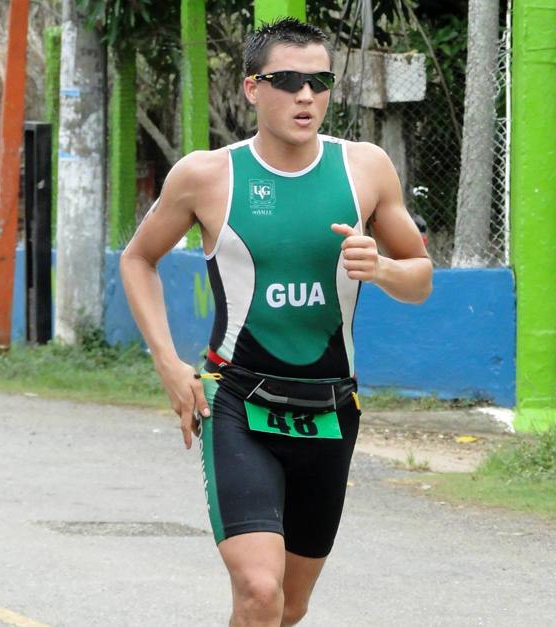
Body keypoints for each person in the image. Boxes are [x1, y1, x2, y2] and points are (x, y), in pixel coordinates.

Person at [120, 17, 432, 626]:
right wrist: (167, 361)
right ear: (251, 88)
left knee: (288, 608)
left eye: (320, 81)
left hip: (330, 411)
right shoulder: (207, 176)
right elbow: (138, 259)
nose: (306, 95)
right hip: (237, 403)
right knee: (260, 592)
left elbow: (419, 275)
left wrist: (382, 269)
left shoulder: (365, 168)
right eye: (287, 80)